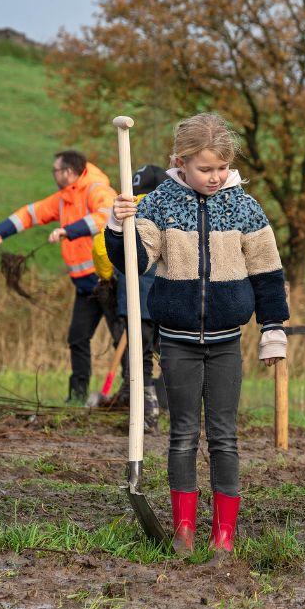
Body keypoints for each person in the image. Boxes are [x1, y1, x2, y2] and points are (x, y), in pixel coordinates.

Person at [107, 113, 288, 555]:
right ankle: (184, 529)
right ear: (181, 162)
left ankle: (224, 535)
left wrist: (273, 328)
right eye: (205, 168)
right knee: (183, 434)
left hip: (227, 340)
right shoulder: (160, 203)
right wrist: (118, 225)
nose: (215, 177)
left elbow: (267, 271)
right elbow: (133, 262)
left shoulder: (244, 205)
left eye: (221, 168)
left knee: (224, 435)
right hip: (177, 341)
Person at [0, 150, 117, 404]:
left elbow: (107, 215)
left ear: (67, 172)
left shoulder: (95, 189)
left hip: (107, 281)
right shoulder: (64, 198)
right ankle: (77, 398)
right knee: (77, 339)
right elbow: (31, 213)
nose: (53, 175)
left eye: (55, 170)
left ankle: (132, 394)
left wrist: (70, 230)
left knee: (122, 338)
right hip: (84, 286)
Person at [92, 163, 169, 427]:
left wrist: (105, 278)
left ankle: (148, 413)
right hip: (173, 298)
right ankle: (178, 406)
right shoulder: (174, 209)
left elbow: (102, 249)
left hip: (138, 300)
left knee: (140, 358)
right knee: (175, 353)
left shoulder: (126, 209)